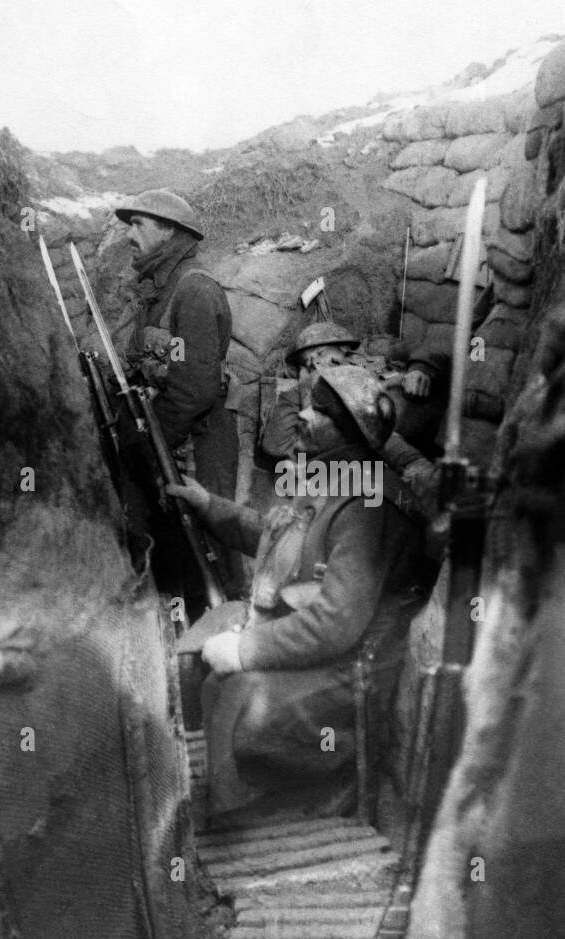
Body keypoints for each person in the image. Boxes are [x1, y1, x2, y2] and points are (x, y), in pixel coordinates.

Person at [167, 366, 429, 821]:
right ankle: (250, 781)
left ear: (350, 430)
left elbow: (336, 623)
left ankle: (302, 791)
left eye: (318, 410)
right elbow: (277, 539)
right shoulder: (331, 476)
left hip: (351, 668)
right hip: (309, 639)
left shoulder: (368, 506)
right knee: (192, 654)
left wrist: (248, 650)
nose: (302, 414)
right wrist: (208, 506)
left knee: (239, 700)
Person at [111, 189, 239, 607]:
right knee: (171, 539)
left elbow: (195, 387)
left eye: (138, 225)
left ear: (167, 232)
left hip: (198, 444)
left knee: (207, 541)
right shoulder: (159, 292)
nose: (129, 234)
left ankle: (229, 624)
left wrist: (152, 440)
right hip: (174, 437)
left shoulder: (195, 290)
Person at [259, 320, 361, 463]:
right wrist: (305, 388)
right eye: (308, 364)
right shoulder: (297, 392)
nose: (316, 364)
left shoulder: (360, 381)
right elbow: (274, 447)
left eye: (321, 353)